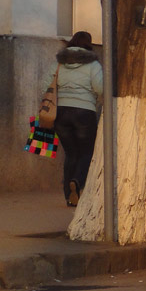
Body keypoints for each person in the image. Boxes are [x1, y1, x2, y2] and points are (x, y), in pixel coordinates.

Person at [44, 31, 103, 207]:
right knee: (86, 152)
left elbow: (46, 86)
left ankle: (69, 197)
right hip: (85, 112)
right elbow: (100, 88)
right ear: (89, 44)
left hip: (60, 114)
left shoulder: (59, 64)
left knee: (71, 153)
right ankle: (77, 182)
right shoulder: (93, 65)